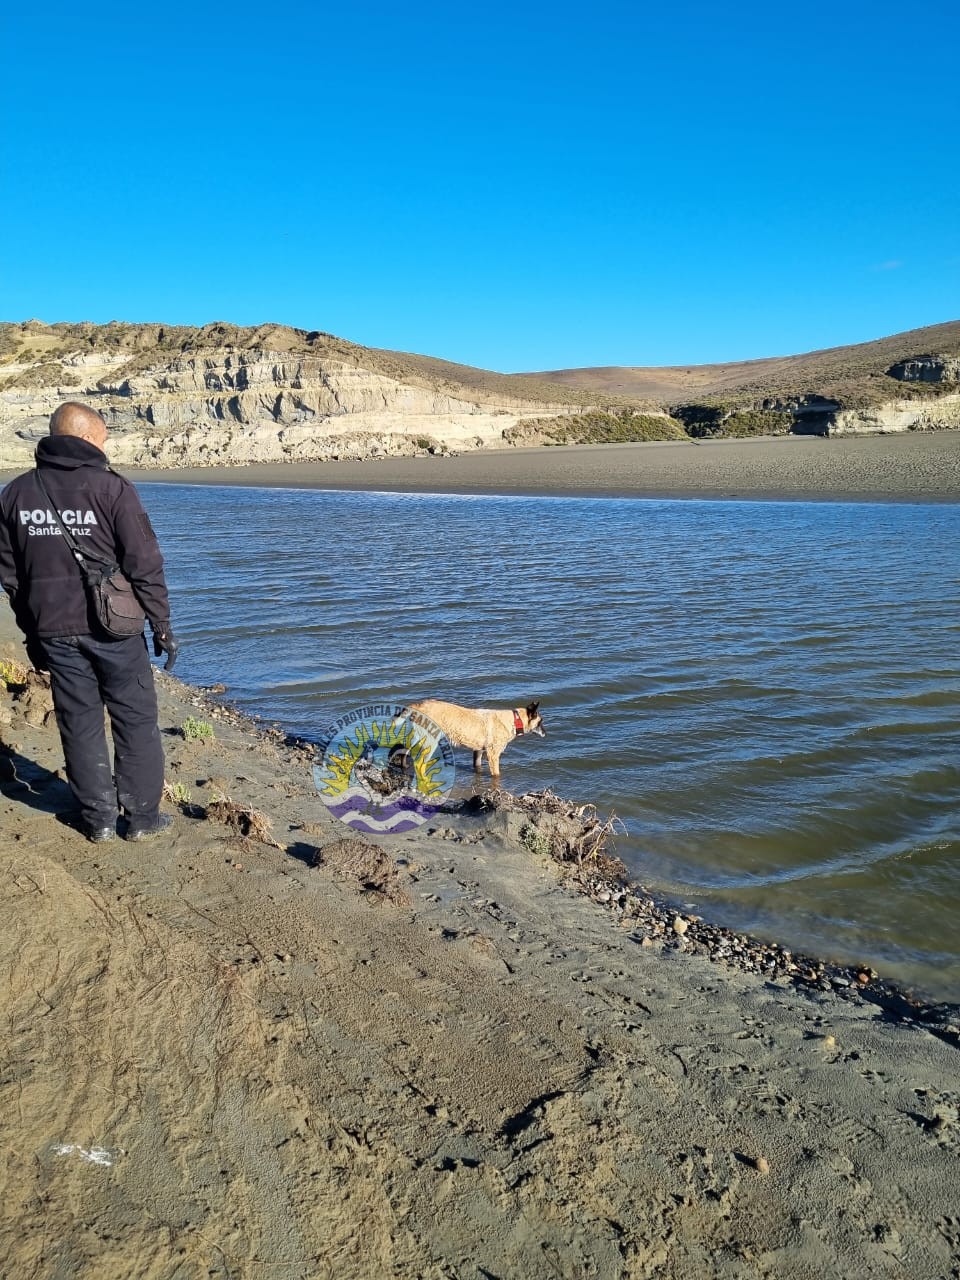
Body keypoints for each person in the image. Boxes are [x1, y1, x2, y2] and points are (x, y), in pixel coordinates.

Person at [0, 401, 178, 842]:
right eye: (102, 438)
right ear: (84, 438)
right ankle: (140, 819)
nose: (106, 445)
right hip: (113, 627)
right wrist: (162, 625)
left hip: (52, 628)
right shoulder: (112, 488)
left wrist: (31, 632)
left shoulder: (17, 492)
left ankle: (97, 819)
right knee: (134, 719)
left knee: (78, 721)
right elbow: (145, 563)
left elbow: (9, 574)